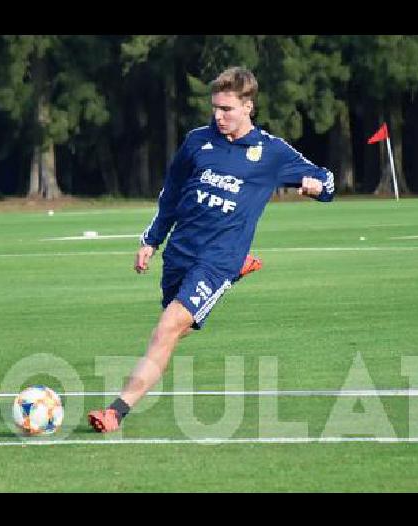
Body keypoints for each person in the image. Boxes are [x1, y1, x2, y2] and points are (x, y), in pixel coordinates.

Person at [88, 66, 334, 433]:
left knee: (167, 328)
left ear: (248, 106)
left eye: (227, 109)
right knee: (173, 331)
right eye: (215, 108)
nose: (218, 116)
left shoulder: (271, 152)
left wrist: (319, 188)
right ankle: (235, 273)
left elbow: (327, 179)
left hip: (218, 259)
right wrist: (151, 240)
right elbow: (170, 195)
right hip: (180, 252)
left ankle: (116, 411)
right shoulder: (196, 142)